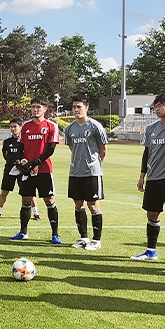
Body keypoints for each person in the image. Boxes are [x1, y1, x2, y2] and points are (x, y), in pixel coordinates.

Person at [131, 91, 165, 269]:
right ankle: (150, 251)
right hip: (153, 178)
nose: (156, 108)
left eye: (160, 105)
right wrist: (142, 175)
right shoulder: (151, 129)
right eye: (155, 106)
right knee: (152, 214)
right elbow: (146, 153)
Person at [10, 96, 61, 244]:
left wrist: (35, 162)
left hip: (44, 169)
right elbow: (20, 147)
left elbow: (50, 149)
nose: (35, 109)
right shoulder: (26, 126)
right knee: (26, 199)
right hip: (28, 171)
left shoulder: (51, 126)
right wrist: (20, 162)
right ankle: (23, 232)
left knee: (49, 200)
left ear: (45, 109)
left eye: (38, 107)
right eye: (33, 107)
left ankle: (55, 234)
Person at [64, 96, 108, 251]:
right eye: (74, 106)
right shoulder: (69, 129)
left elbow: (103, 149)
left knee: (93, 205)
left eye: (79, 106)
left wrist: (94, 163)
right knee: (78, 204)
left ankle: (96, 240)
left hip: (92, 172)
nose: (76, 109)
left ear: (86, 108)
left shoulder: (96, 126)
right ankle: (83, 238)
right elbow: (72, 148)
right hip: (75, 172)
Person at [0, 118, 39, 220]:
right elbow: (5, 154)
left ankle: (36, 213)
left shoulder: (25, 140)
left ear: (20, 127)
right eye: (11, 127)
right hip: (10, 168)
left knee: (28, 192)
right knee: (4, 191)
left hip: (23, 169)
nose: (13, 129)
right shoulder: (7, 141)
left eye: (15, 127)